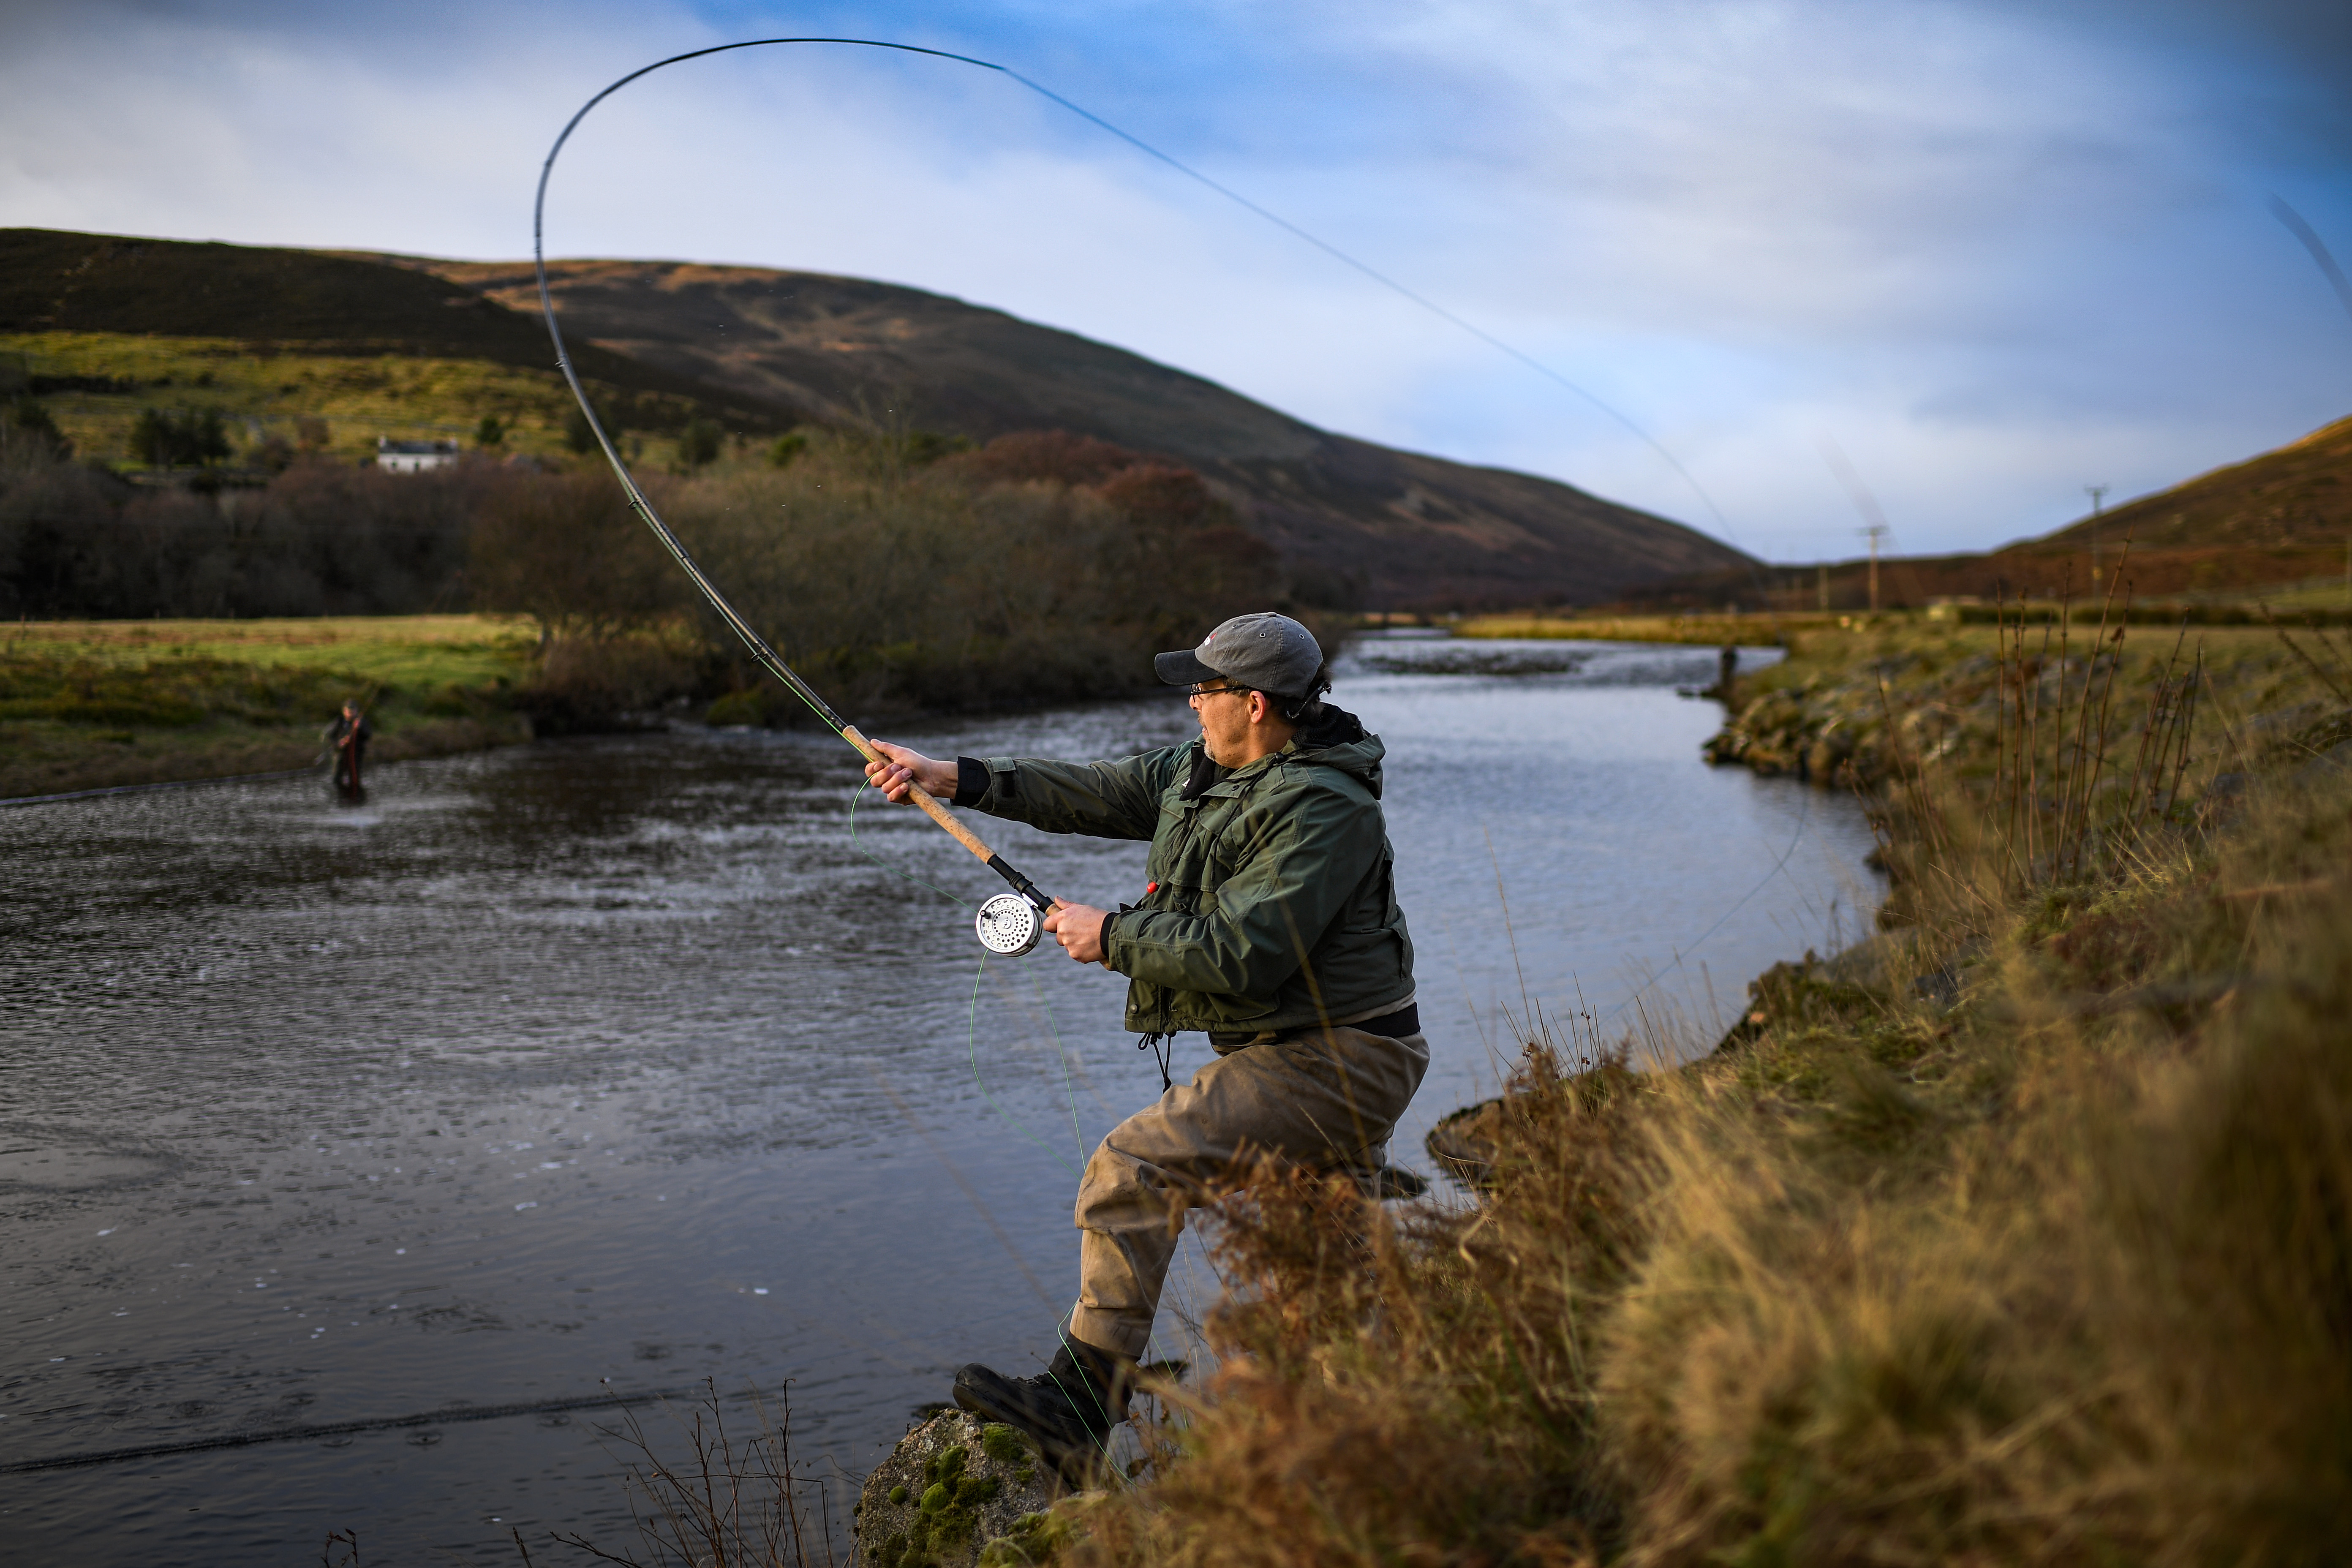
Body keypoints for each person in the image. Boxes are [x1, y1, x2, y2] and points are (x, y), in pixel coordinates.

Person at [864, 611, 1424, 1475]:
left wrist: (1112, 935)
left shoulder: (1324, 807)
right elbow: (1090, 789)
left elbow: (1249, 951)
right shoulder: (1205, 769)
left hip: (1341, 1056)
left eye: (1205, 690)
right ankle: (1366, 1452)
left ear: (1255, 702)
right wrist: (954, 776)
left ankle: (1080, 1406)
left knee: (1133, 1168)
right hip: (1298, 1048)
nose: (1192, 704)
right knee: (1319, 1267)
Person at [324, 701, 371, 795]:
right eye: (349, 712)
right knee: (337, 779)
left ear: (357, 711)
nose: (351, 714)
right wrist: (339, 743)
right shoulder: (339, 722)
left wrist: (359, 729)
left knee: (354, 778)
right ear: (344, 711)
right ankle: (340, 797)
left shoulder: (362, 722)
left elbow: (367, 736)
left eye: (353, 712)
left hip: (356, 755)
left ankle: (357, 797)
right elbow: (330, 738)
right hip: (340, 755)